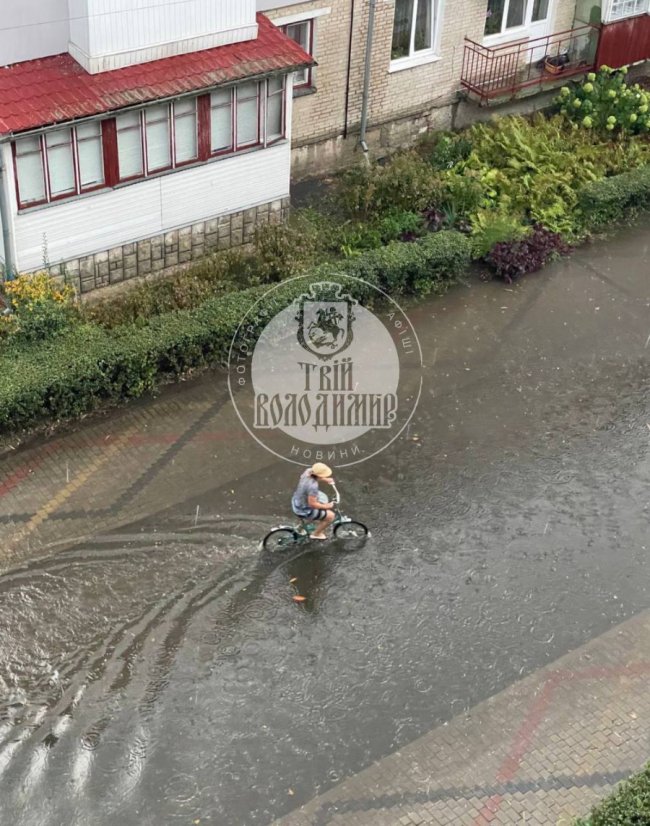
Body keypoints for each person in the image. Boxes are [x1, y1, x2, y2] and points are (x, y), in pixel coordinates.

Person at [291, 463, 335, 540]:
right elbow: (312, 504)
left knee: (323, 499)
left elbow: (315, 477)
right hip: (303, 509)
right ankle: (316, 534)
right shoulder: (313, 487)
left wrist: (326, 480)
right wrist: (327, 506)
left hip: (297, 500)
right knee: (331, 516)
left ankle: (303, 525)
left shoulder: (308, 471)